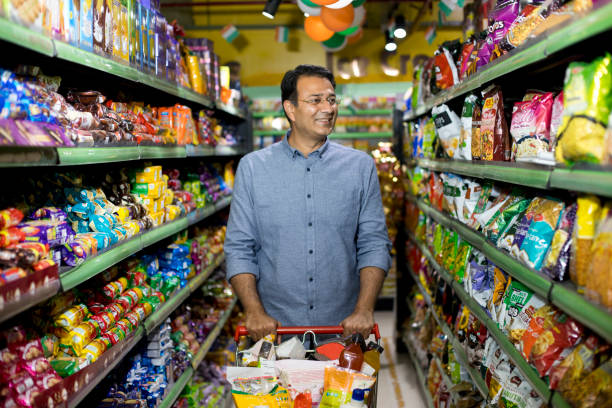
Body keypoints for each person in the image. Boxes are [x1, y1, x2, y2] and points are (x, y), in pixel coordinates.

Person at [224, 64, 391, 341]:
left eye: (331, 99)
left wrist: (364, 309)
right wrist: (254, 311)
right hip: (275, 330)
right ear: (290, 109)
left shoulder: (360, 167)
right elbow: (240, 247)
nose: (327, 108)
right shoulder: (253, 168)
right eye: (315, 100)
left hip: (343, 329)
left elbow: (373, 243)